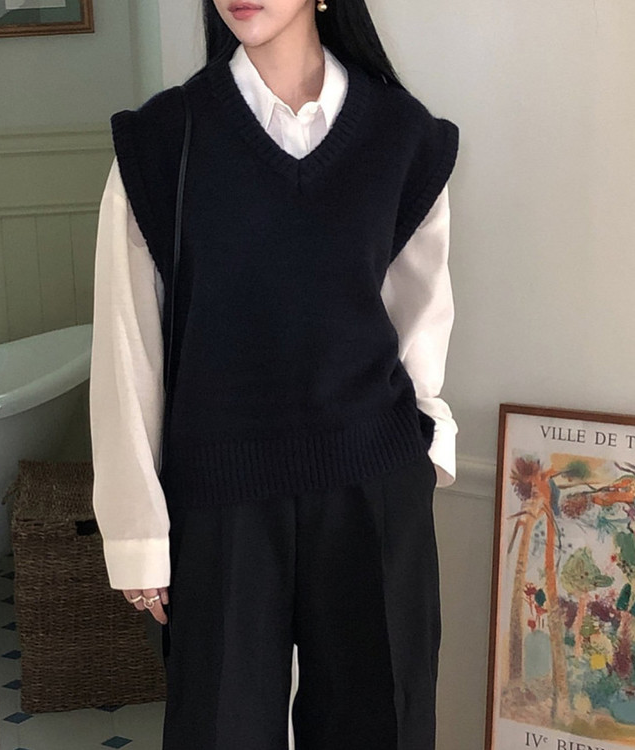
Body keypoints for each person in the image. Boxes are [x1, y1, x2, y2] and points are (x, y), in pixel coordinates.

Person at [89, 0, 460, 747]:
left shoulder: (401, 134)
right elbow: (128, 350)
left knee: (381, 728)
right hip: (219, 504)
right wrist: (137, 532)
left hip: (373, 491)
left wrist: (427, 445)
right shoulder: (162, 141)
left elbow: (420, 313)